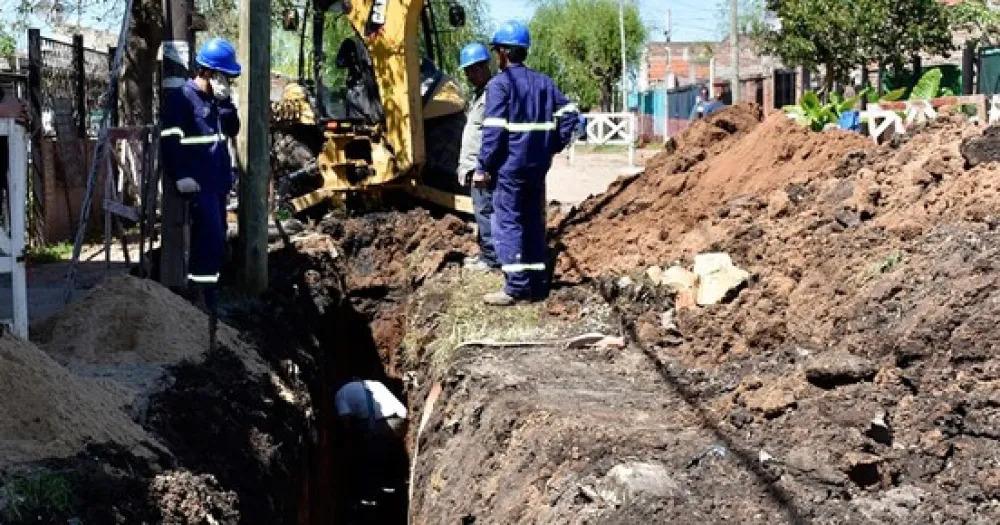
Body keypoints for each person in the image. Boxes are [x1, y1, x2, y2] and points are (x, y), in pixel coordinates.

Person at [477, 20, 579, 306]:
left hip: (510, 167)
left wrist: (483, 166)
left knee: (508, 221)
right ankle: (536, 282)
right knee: (533, 220)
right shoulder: (544, 82)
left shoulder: (500, 85)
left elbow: (493, 131)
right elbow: (571, 115)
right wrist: (553, 144)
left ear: (504, 53)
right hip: (537, 165)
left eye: (497, 51)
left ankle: (517, 287)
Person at [160, 37, 241, 310]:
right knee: (209, 238)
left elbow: (232, 129)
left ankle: (209, 294)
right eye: (223, 76)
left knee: (217, 240)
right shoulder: (181, 99)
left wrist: (227, 102)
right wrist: (180, 173)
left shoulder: (217, 101)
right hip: (197, 182)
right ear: (206, 71)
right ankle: (201, 298)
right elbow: (170, 139)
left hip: (217, 181)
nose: (226, 81)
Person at [334, 379, 408, 522]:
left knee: (368, 456)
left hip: (383, 424)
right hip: (401, 420)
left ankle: (372, 497)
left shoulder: (340, 395)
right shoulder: (374, 384)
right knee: (384, 448)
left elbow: (346, 422)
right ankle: (392, 483)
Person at [456, 42, 499, 272]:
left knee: (485, 211)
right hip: (475, 166)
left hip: (482, 166)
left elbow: (492, 134)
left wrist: (484, 166)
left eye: (474, 69)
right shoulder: (480, 95)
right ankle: (485, 252)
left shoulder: (492, 94)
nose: (470, 75)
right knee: (480, 210)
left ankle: (492, 259)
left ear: (485, 67)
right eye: (467, 71)